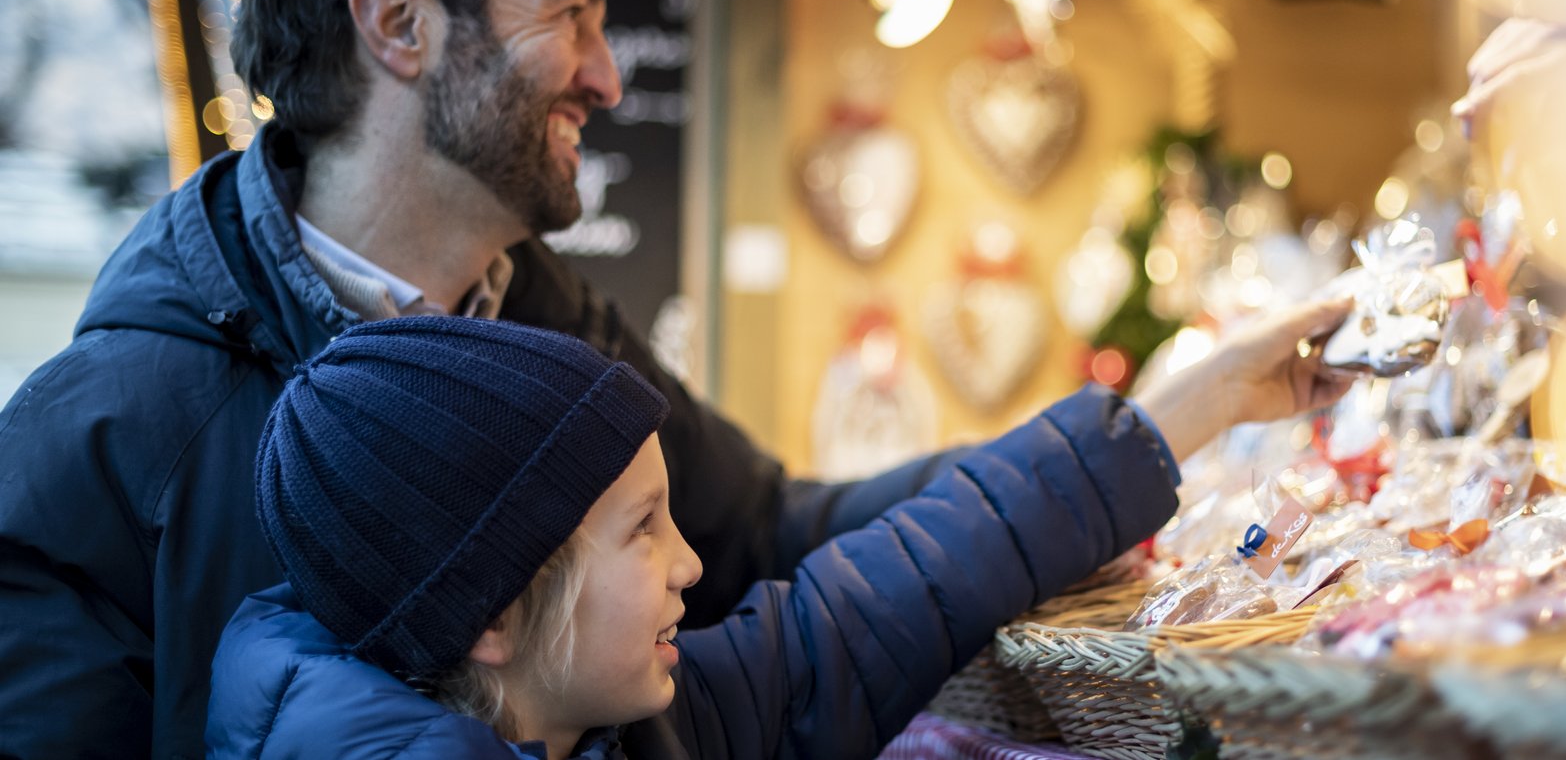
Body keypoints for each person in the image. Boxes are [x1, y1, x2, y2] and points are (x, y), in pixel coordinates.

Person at [0, 0, 1355, 756]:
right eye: (569, 14)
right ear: (399, 23)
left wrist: (1157, 423)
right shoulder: (112, 431)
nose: (606, 72)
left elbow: (779, 542)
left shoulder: (540, 314)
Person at [206, 316, 1229, 758]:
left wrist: (1191, 409)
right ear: (494, 610)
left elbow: (868, 604)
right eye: (643, 529)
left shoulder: (618, 721)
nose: (691, 562)